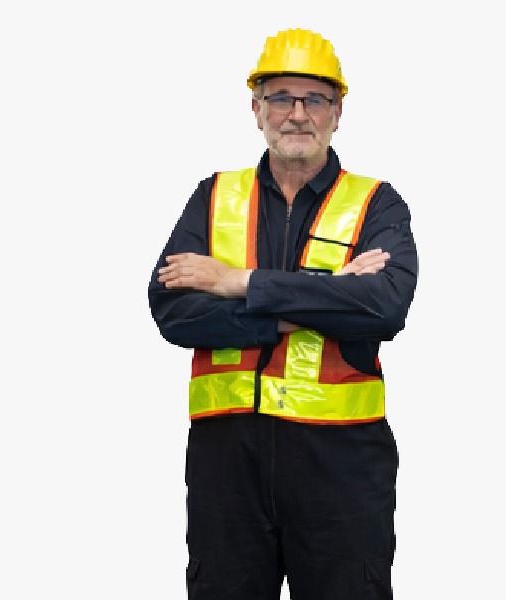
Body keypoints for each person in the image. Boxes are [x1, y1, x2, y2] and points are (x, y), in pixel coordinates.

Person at [148, 27, 418, 600]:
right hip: (226, 468)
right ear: (256, 109)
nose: (297, 114)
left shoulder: (377, 203)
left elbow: (383, 306)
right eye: (281, 98)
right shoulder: (214, 196)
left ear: (338, 112)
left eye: (314, 98)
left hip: (340, 466)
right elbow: (174, 310)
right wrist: (316, 301)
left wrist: (237, 282)